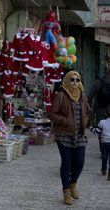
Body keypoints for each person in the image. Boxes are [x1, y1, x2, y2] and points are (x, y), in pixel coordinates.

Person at [49, 70, 91, 205]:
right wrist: (65, 121)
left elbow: (87, 110)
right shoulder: (61, 95)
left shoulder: (82, 96)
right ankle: (66, 191)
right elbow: (53, 114)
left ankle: (73, 184)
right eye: (72, 79)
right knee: (66, 163)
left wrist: (86, 120)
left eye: (77, 80)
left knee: (79, 162)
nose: (75, 82)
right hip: (64, 135)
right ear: (67, 80)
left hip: (79, 135)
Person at [88, 52, 110, 158]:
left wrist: (89, 110)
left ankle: (103, 151)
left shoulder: (98, 82)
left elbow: (90, 97)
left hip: (100, 110)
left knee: (101, 131)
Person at [90, 106, 110, 181]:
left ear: (105, 114)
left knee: (105, 157)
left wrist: (91, 128)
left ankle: (104, 170)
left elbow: (97, 132)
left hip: (105, 142)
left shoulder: (102, 122)